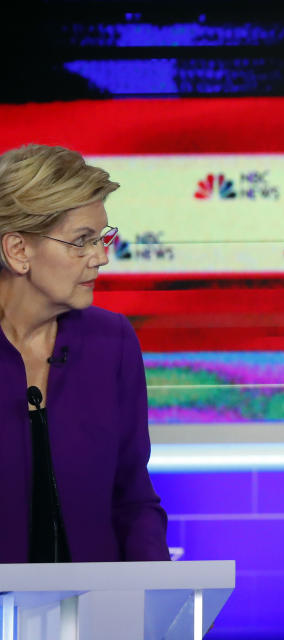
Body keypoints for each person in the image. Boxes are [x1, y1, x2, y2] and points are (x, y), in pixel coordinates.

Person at [0, 144, 169, 562]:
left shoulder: (111, 342)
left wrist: (155, 600)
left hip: (95, 615)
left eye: (102, 238)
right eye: (83, 241)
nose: (102, 257)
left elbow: (132, 498)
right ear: (19, 251)